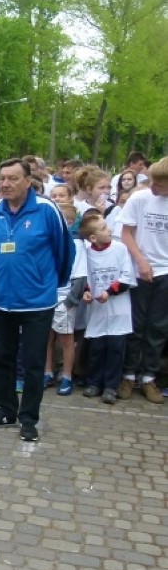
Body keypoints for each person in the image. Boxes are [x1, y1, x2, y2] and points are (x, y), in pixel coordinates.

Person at [0, 158, 75, 441]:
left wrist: (47, 284)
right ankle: (6, 410)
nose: (6, 184)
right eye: (2, 178)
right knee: (3, 360)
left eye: (12, 178)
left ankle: (29, 418)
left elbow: (65, 252)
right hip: (2, 300)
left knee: (33, 363)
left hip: (37, 302)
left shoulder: (47, 210)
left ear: (28, 181)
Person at [118, 156, 168, 404]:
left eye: (159, 183)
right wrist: (141, 261)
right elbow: (126, 233)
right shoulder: (140, 198)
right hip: (140, 270)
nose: (153, 186)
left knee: (157, 327)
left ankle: (149, 377)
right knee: (135, 326)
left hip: (165, 272)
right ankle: (128, 374)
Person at [78, 214, 135, 405]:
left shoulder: (119, 249)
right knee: (97, 348)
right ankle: (94, 382)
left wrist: (109, 292)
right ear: (93, 238)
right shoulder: (87, 253)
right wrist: (86, 292)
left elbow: (127, 276)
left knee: (116, 349)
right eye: (103, 228)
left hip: (118, 309)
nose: (109, 229)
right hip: (97, 311)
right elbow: (85, 277)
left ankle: (111, 386)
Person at [44, 203, 86, 396]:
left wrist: (70, 302)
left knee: (67, 340)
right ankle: (47, 372)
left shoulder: (76, 244)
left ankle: (67, 376)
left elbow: (80, 276)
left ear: (68, 222)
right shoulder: (50, 241)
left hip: (64, 299)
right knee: (47, 338)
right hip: (46, 297)